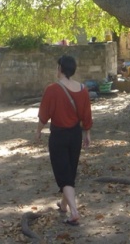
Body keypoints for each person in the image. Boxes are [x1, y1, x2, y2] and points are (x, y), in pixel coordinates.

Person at [36, 55, 93, 226]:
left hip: (59, 136)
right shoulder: (82, 89)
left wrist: (38, 131)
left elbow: (44, 114)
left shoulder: (52, 89)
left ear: (60, 69)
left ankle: (74, 211)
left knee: (64, 175)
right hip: (75, 135)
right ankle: (63, 205)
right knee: (69, 170)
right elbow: (86, 114)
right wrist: (87, 133)